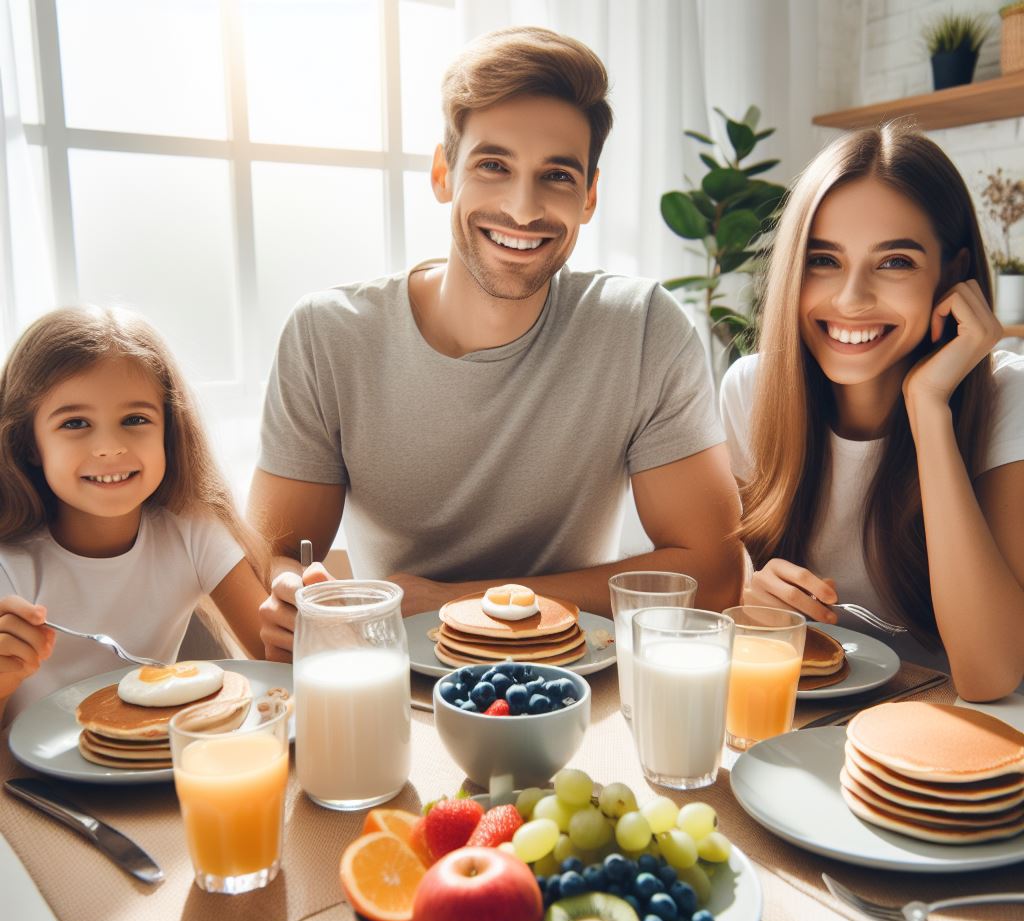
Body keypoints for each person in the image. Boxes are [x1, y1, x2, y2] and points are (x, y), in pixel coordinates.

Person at [250, 26, 744, 660]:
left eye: (557, 176)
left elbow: (714, 575)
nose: (522, 207)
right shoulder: (328, 334)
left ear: (589, 196)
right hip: (390, 682)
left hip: (578, 683)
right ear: (442, 174)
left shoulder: (642, 328)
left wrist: (459, 605)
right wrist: (290, 592)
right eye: (493, 165)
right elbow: (279, 553)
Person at [720, 123, 1024, 702]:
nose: (852, 299)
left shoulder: (1010, 397)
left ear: (954, 272)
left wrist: (928, 406)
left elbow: (989, 675)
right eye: (824, 260)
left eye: (895, 263)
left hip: (960, 739)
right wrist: (750, 597)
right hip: (810, 724)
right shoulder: (751, 390)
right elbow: (737, 606)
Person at [0, 306, 270, 724]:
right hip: (27, 786)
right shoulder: (10, 566)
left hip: (151, 772)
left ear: (169, 429)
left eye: (135, 419)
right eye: (75, 423)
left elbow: (278, 656)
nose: (109, 447)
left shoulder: (193, 532)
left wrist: (309, 616)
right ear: (29, 443)